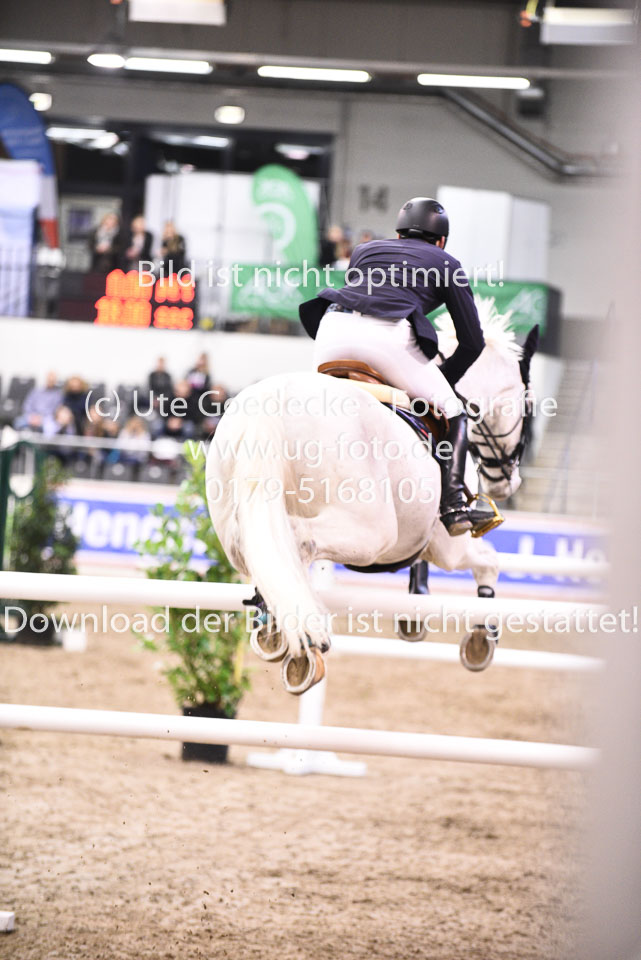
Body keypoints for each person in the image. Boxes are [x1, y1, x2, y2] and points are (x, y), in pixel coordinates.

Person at [299, 197, 485, 536]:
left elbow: (364, 294)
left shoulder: (364, 250)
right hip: (386, 336)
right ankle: (454, 504)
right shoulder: (447, 262)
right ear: (441, 240)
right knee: (455, 412)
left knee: (318, 406)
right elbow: (473, 342)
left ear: (399, 234)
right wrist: (442, 381)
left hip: (332, 329)